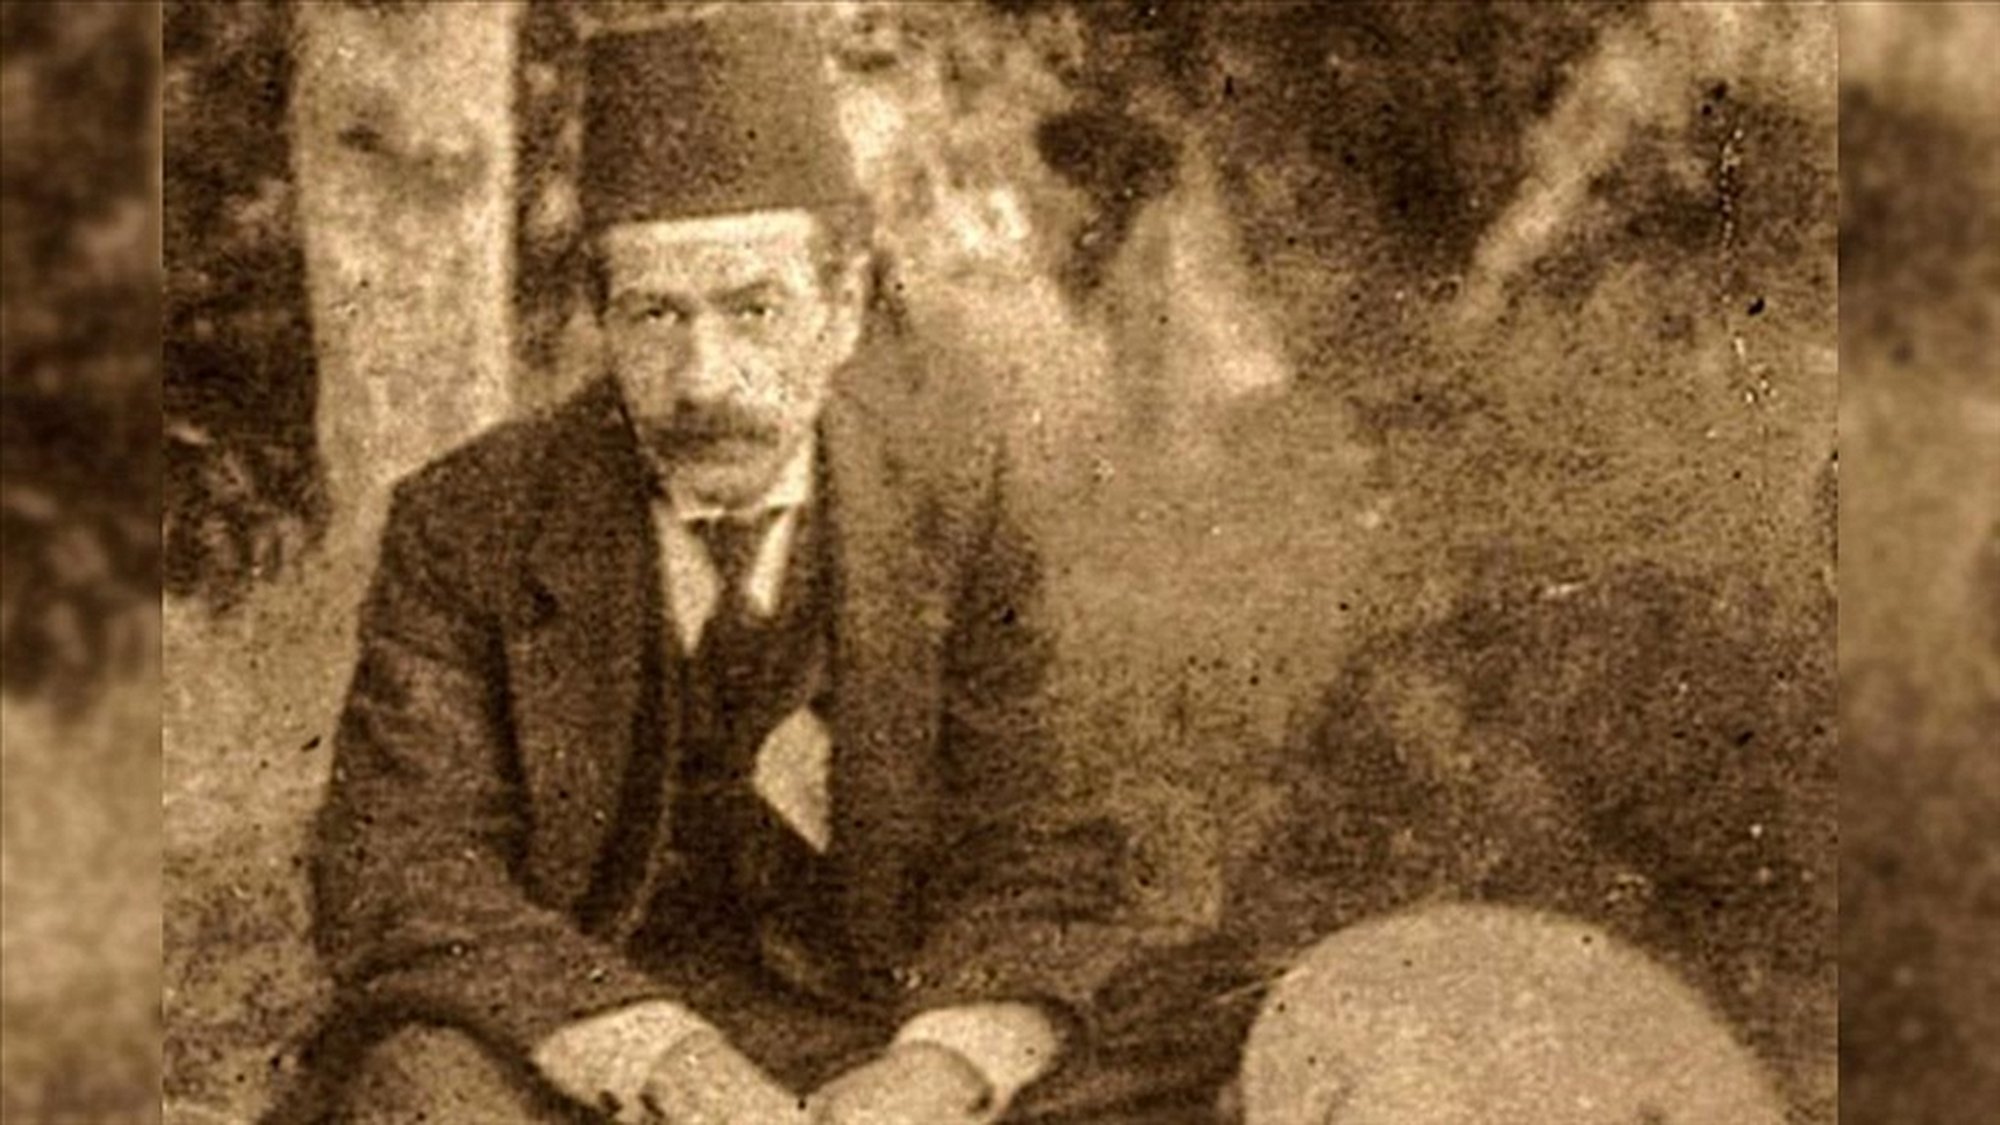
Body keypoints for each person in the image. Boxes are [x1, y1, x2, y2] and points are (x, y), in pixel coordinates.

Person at [305, 12, 1135, 1123]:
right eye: (655, 314)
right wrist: (661, 1058)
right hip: (584, 1049)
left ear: (843, 308)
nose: (704, 377)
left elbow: (1042, 845)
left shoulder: (957, 499)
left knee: (1176, 1039)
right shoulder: (468, 521)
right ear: (601, 319)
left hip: (876, 1029)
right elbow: (402, 861)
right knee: (423, 1087)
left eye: (754, 310)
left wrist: (937, 1069)